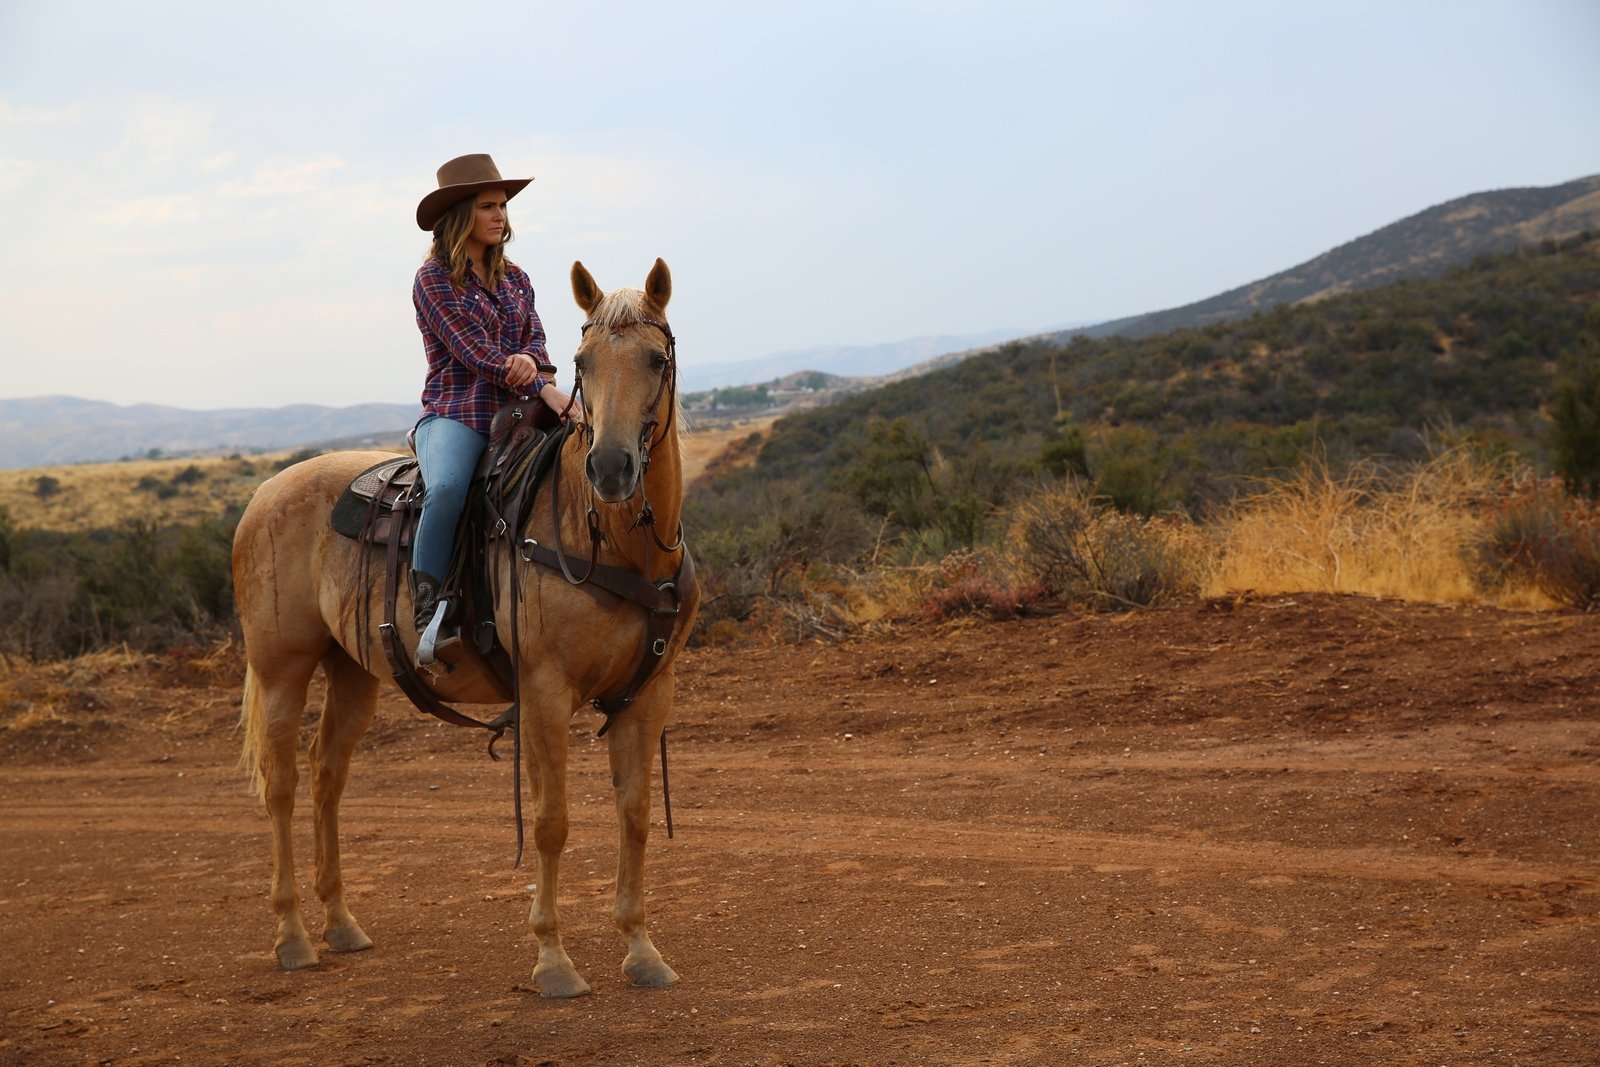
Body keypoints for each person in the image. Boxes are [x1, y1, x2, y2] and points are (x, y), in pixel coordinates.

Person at [409, 153, 576, 654]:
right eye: (487, 206)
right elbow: (474, 354)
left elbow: (539, 343)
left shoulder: (518, 279)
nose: (500, 215)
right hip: (458, 413)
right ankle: (429, 606)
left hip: (520, 413)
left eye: (502, 205)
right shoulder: (434, 279)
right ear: (460, 215)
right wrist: (542, 386)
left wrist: (532, 362)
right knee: (446, 488)